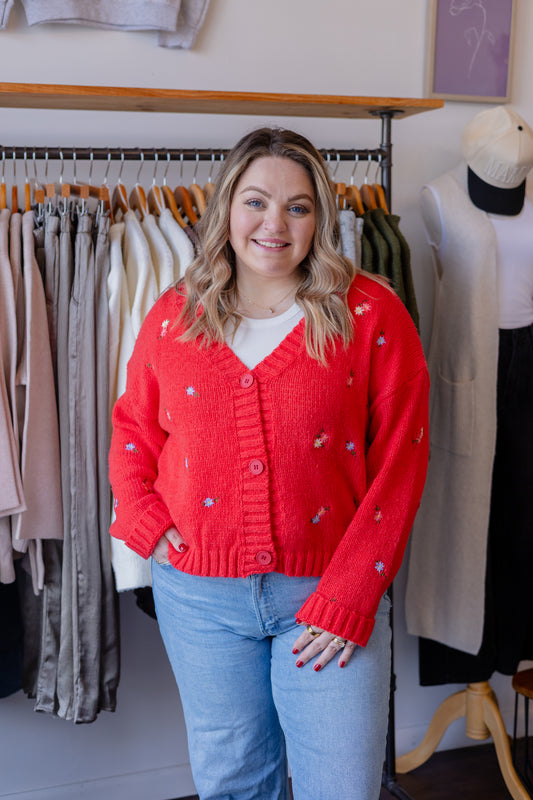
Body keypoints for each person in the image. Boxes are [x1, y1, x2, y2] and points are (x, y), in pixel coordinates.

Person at [109, 127, 429, 800]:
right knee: (233, 785)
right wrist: (142, 516)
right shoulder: (176, 317)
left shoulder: (369, 314)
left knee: (341, 787)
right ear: (226, 208)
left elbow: (400, 463)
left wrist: (348, 596)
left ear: (321, 218)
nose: (273, 224)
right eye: (256, 201)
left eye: (298, 206)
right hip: (198, 600)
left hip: (327, 597)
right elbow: (133, 428)